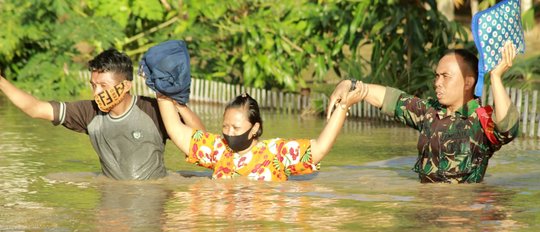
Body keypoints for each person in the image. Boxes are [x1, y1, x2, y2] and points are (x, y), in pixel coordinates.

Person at [327, 42, 519, 183]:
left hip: (463, 215)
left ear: (468, 82)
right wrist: (351, 85)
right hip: (426, 210)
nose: (437, 83)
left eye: (445, 76)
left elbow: (507, 128)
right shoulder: (429, 112)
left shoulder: (480, 120)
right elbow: (390, 99)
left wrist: (495, 76)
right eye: (436, 76)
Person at [0, 48, 204, 180]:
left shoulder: (152, 109)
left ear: (125, 86)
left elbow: (202, 142)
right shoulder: (89, 112)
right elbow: (35, 109)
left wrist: (177, 103)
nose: (96, 92)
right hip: (112, 197)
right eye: (93, 85)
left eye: (103, 86)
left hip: (153, 195)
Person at [156, 87, 368, 181]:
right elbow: (176, 130)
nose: (229, 133)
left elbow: (320, 148)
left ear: (255, 129)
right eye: (225, 126)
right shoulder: (219, 149)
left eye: (236, 128)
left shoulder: (276, 153)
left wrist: (342, 109)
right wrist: (162, 90)